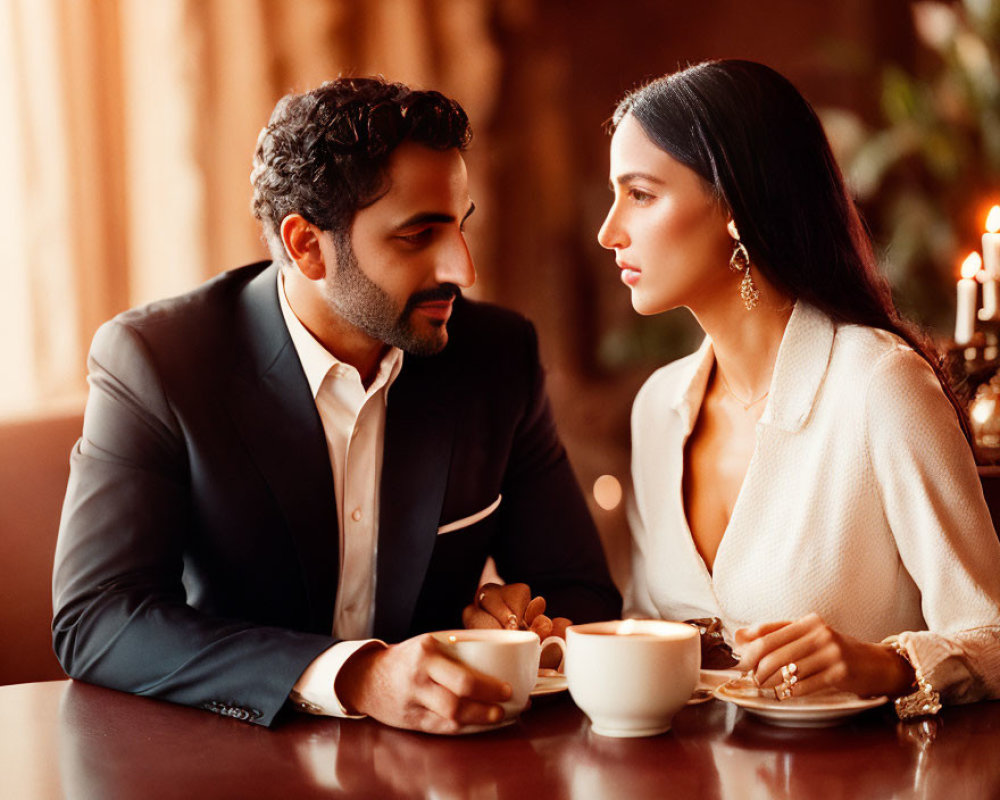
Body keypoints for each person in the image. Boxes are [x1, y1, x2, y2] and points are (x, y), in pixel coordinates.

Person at [52, 77, 620, 732]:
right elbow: (97, 618)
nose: (463, 270)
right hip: (223, 763)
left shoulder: (497, 356)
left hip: (436, 764)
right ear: (305, 245)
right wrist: (354, 675)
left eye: (460, 227)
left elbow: (584, 596)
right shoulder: (159, 361)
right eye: (418, 236)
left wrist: (528, 620)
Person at [597, 59, 1000, 717]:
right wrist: (561, 647)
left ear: (734, 206)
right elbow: (654, 632)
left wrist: (888, 664)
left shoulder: (880, 388)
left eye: (640, 194)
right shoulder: (658, 410)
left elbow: (994, 635)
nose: (609, 231)